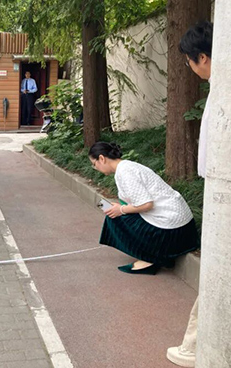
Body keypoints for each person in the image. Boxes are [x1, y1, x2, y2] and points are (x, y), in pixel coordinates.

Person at [166, 21, 213, 368]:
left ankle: (194, 347)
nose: (190, 68)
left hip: (225, 197)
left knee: (215, 278)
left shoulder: (225, 91)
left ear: (202, 57)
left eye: (189, 61)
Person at [89, 142, 200, 275]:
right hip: (185, 227)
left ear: (102, 158)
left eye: (94, 164)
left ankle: (150, 258)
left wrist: (121, 210)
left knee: (114, 219)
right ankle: (150, 255)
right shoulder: (128, 166)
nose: (95, 168)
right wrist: (121, 208)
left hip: (172, 231)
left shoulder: (125, 172)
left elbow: (146, 204)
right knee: (120, 214)